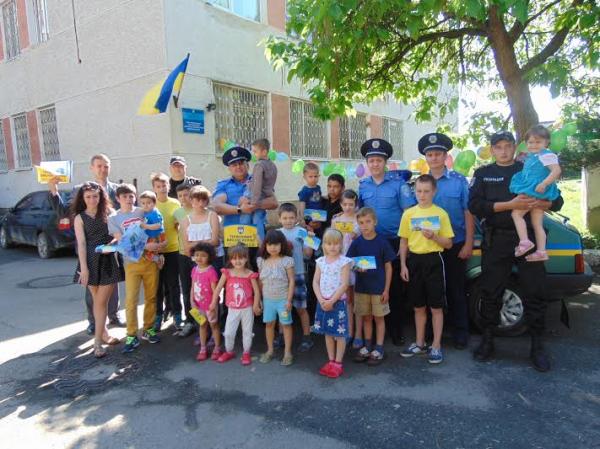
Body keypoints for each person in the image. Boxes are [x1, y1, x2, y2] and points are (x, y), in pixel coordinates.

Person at [468, 130, 564, 372]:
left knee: (535, 292)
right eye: (498, 147)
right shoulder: (483, 174)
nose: (503, 151)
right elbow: (475, 205)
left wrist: (543, 203)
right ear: (492, 150)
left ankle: (537, 346)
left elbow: (558, 201)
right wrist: (509, 205)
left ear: (514, 147)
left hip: (527, 240)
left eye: (507, 146)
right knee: (491, 291)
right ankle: (487, 340)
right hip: (497, 240)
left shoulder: (530, 165)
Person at [48, 153, 123, 334]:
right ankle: (94, 321)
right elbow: (64, 212)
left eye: (106, 166)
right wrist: (54, 190)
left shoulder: (116, 189)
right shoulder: (80, 190)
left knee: (112, 283)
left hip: (111, 246)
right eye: (99, 166)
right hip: (89, 248)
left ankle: (113, 315)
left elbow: (123, 215)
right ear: (92, 168)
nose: (103, 169)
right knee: (92, 286)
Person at [357, 139, 416, 345]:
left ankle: (396, 330)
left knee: (394, 288)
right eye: (371, 160)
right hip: (370, 242)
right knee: (372, 285)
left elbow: (408, 213)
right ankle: (373, 330)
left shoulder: (399, 185)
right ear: (367, 163)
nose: (375, 164)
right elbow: (359, 214)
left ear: (385, 162)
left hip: (393, 242)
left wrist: (406, 243)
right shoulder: (363, 186)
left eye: (379, 160)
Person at [421, 132, 474, 349]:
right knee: (431, 290)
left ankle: (460, 332)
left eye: (438, 154)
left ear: (445, 156)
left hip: (456, 242)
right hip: (428, 245)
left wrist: (469, 243)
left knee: (456, 289)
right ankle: (432, 333)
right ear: (426, 158)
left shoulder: (459, 181)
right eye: (430, 154)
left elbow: (468, 212)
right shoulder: (420, 183)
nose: (434, 158)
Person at [399, 175, 454, 364]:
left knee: (436, 307)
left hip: (434, 260)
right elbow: (404, 241)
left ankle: (436, 345)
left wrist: (434, 237)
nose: (422, 195)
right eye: (419, 191)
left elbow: (448, 244)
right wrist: (403, 265)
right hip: (414, 261)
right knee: (418, 306)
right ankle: (420, 343)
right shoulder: (408, 214)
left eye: (426, 191)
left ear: (434, 191)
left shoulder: (441, 214)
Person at [71, 182, 124, 358]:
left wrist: (110, 246)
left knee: (101, 303)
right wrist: (84, 269)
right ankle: (105, 334)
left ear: (101, 196)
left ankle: (97, 342)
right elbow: (81, 244)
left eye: (95, 196)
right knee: (97, 302)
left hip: (108, 260)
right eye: (88, 197)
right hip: (90, 262)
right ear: (82, 198)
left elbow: (119, 236)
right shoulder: (79, 218)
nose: (92, 200)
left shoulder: (110, 213)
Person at [108, 184, 162, 353]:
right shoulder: (113, 218)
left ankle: (148, 329)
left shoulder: (142, 211)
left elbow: (157, 229)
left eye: (131, 196)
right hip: (131, 263)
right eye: (124, 196)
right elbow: (123, 241)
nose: (128, 199)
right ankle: (131, 335)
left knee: (151, 297)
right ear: (118, 199)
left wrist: (159, 252)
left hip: (150, 261)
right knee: (131, 301)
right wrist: (147, 246)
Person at [212, 146, 279, 266]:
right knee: (234, 274)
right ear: (229, 168)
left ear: (247, 165)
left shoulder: (258, 180)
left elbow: (273, 202)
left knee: (258, 270)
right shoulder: (224, 184)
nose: (238, 167)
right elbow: (217, 206)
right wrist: (240, 209)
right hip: (233, 238)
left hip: (256, 237)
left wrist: (253, 205)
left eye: (241, 163)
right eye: (234, 165)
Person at [346, 207, 395, 366]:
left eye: (368, 222)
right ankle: (367, 346)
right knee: (366, 318)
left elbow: (388, 267)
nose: (365, 225)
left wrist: (386, 289)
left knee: (379, 318)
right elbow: (349, 263)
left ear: (375, 222)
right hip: (362, 288)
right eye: (361, 223)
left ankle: (379, 348)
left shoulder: (382, 242)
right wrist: (356, 267)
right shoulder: (356, 243)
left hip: (379, 289)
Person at [509, 125, 562, 262]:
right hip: (536, 190)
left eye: (538, 142)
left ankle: (524, 242)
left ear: (546, 142)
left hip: (534, 189)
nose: (533, 145)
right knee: (537, 223)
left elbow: (556, 171)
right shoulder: (533, 156)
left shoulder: (546, 155)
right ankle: (541, 251)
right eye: (530, 142)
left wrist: (544, 183)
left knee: (516, 214)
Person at [210, 243, 261, 365]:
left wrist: (255, 305)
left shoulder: (250, 274)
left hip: (247, 308)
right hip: (232, 309)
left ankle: (246, 353)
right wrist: (213, 303)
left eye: (241, 258)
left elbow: (257, 291)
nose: (237, 261)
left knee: (247, 332)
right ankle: (229, 351)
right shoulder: (227, 273)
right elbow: (218, 288)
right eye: (234, 258)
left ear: (246, 258)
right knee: (228, 333)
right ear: (230, 259)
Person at [312, 229, 353, 379]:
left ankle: (338, 363)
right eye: (329, 243)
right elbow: (315, 282)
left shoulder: (344, 262)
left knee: (339, 334)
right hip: (322, 302)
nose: (332, 247)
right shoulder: (320, 261)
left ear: (341, 244)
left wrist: (331, 301)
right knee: (328, 333)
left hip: (337, 302)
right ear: (324, 245)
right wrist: (321, 299)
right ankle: (330, 360)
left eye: (336, 243)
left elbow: (344, 284)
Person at [181, 186, 223, 328]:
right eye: (197, 199)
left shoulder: (212, 215)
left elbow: (215, 241)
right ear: (191, 200)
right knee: (197, 292)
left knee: (214, 293)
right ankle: (202, 327)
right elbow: (187, 248)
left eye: (203, 200)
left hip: (214, 260)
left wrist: (196, 244)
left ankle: (215, 327)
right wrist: (204, 243)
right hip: (196, 262)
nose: (200, 203)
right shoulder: (186, 220)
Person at [277, 203, 314, 352]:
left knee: (301, 308)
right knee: (282, 308)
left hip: (298, 274)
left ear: (297, 218)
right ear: (279, 219)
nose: (288, 221)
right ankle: (281, 336)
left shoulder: (302, 232)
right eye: (285, 218)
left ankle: (307, 337)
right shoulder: (277, 234)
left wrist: (309, 241)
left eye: (291, 218)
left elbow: (308, 254)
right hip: (281, 277)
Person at [257, 230, 296, 366]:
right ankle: (270, 350)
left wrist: (289, 300)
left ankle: (287, 352)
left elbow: (292, 280)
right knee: (269, 324)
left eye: (276, 244)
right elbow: (260, 281)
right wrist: (259, 300)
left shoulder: (287, 261)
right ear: (265, 245)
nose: (273, 247)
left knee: (286, 324)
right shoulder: (261, 261)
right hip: (268, 300)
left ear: (282, 245)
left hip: (283, 300)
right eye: (270, 244)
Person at [151, 172, 182, 331]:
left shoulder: (175, 203)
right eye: (158, 186)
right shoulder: (151, 204)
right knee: (157, 286)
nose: (162, 188)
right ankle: (158, 315)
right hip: (155, 252)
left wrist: (179, 224)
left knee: (173, 284)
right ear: (154, 188)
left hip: (173, 249)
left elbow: (182, 223)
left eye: (164, 185)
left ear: (168, 186)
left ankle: (177, 314)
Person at [331, 189, 360, 346]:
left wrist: (357, 235)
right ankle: (348, 331)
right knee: (346, 299)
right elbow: (331, 240)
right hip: (341, 262)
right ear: (341, 204)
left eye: (351, 204)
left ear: (356, 204)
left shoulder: (359, 219)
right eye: (345, 204)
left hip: (356, 261)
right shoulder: (336, 220)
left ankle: (358, 334)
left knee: (358, 299)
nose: (348, 207)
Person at [238, 138, 277, 242]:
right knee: (258, 220)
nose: (254, 154)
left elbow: (257, 184)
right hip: (265, 195)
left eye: (255, 151)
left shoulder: (259, 165)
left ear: (264, 152)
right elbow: (271, 183)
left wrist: (254, 202)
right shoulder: (273, 166)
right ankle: (261, 244)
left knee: (245, 219)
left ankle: (243, 242)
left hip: (254, 195)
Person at [190, 242, 222, 361]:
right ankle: (203, 348)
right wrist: (192, 301)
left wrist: (213, 305)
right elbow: (192, 287)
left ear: (210, 257)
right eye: (197, 255)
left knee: (214, 326)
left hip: (210, 306)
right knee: (202, 325)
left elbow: (215, 291)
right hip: (198, 305)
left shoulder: (211, 271)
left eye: (203, 255)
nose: (199, 258)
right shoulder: (194, 270)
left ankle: (217, 347)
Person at [173, 183, 196, 338]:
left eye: (186, 194)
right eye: (180, 196)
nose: (183, 198)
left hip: (198, 256)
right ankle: (190, 320)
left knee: (201, 289)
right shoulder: (177, 213)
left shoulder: (198, 210)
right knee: (186, 289)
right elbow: (175, 228)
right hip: (183, 255)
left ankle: (204, 321)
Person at [138, 191, 166, 268]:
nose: (145, 205)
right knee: (148, 251)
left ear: (154, 203)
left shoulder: (154, 213)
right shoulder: (146, 212)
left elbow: (158, 225)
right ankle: (158, 259)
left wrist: (145, 226)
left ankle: (158, 259)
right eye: (143, 203)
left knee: (146, 252)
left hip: (156, 236)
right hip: (151, 235)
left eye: (148, 203)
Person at [298, 162, 322, 230]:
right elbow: (302, 206)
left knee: (318, 233)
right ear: (305, 177)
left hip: (318, 216)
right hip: (309, 218)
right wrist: (302, 219)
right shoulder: (304, 191)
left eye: (315, 176)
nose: (313, 179)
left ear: (319, 176)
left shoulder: (318, 188)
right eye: (310, 176)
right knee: (310, 234)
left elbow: (318, 199)